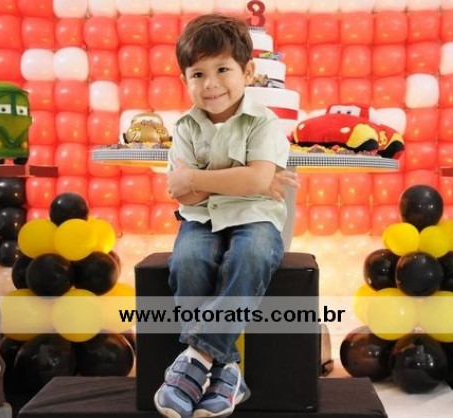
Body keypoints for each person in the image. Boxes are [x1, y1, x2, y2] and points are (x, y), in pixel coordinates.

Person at [154, 13, 298, 418]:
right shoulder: (185, 127)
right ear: (185, 79)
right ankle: (227, 370)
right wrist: (245, 178)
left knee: (251, 256)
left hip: (255, 216)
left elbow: (255, 181)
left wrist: (205, 178)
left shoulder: (264, 123)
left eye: (222, 70)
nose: (211, 84)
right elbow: (182, 191)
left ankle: (196, 358)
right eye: (198, 74)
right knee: (188, 260)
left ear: (247, 72)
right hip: (200, 217)